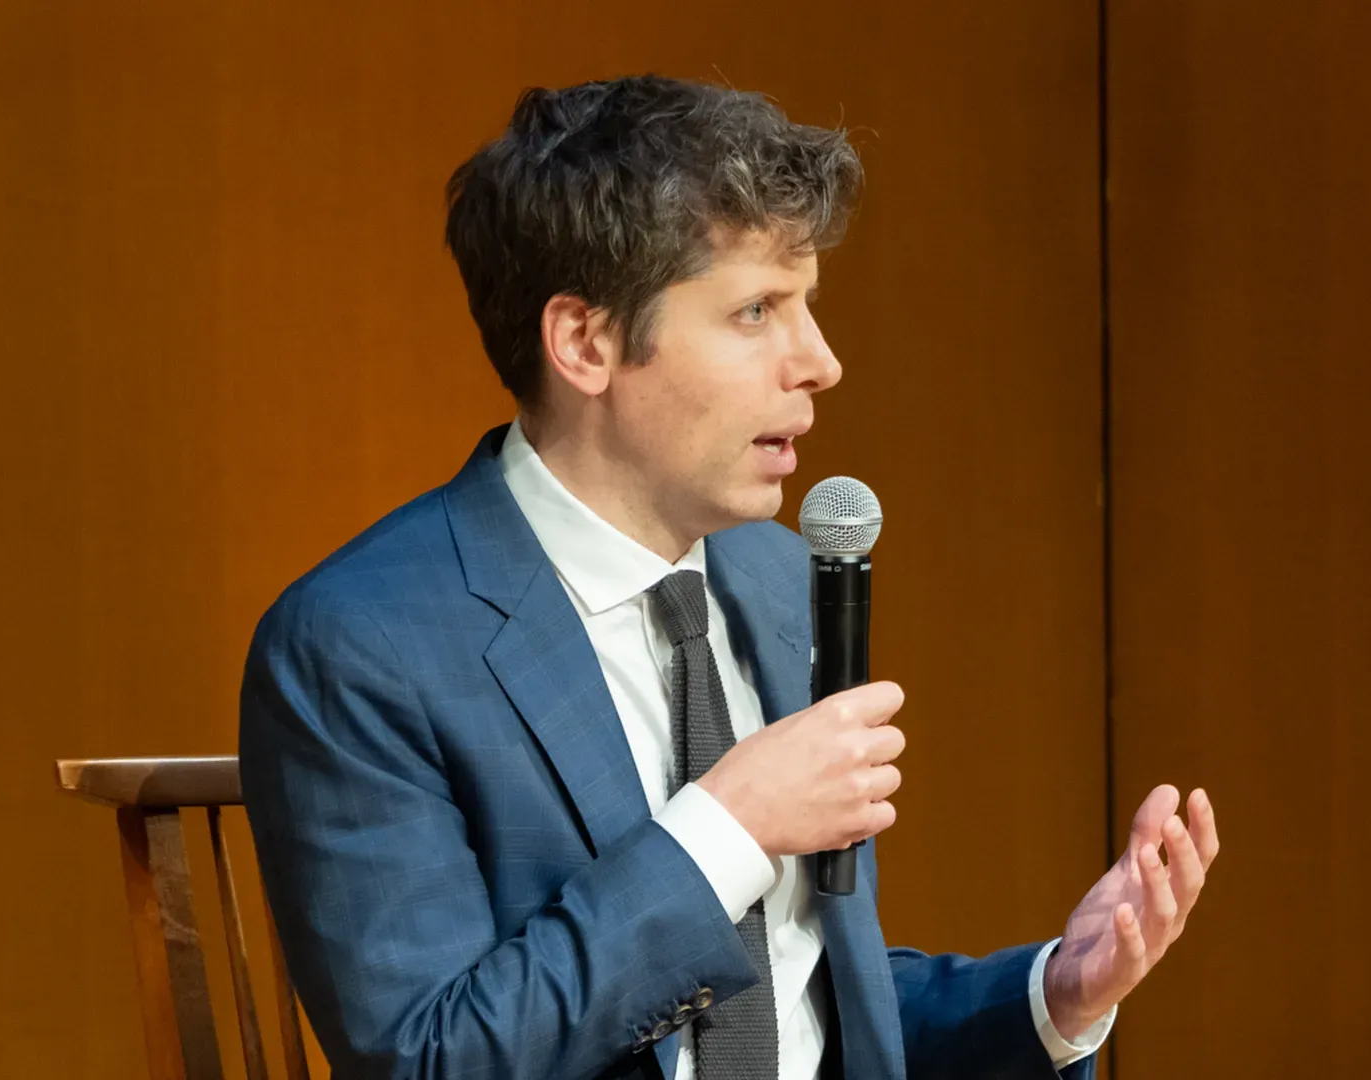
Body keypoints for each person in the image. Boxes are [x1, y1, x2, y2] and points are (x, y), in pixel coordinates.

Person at [239, 74, 1218, 1080]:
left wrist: (1054, 997)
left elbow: (809, 1016)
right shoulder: (363, 644)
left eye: (807, 308)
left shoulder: (777, 575)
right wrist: (729, 828)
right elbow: (433, 1060)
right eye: (757, 311)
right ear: (587, 343)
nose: (822, 362)